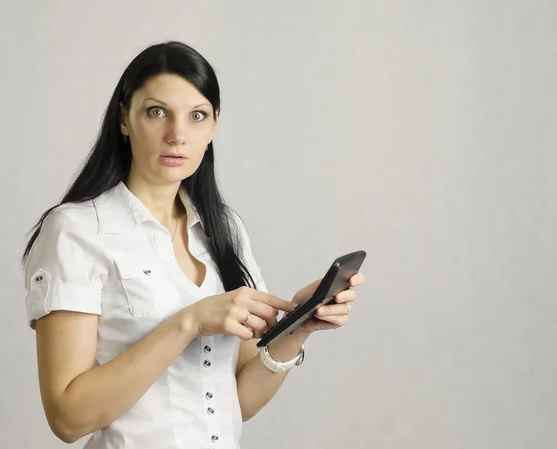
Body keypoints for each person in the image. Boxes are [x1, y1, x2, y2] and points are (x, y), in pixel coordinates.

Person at [21, 40, 365, 449]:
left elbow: (239, 400)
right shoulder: (75, 231)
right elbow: (67, 418)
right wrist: (189, 322)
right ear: (124, 120)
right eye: (156, 112)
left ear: (214, 125)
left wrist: (298, 327)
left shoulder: (225, 229)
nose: (177, 135)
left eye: (197, 116)